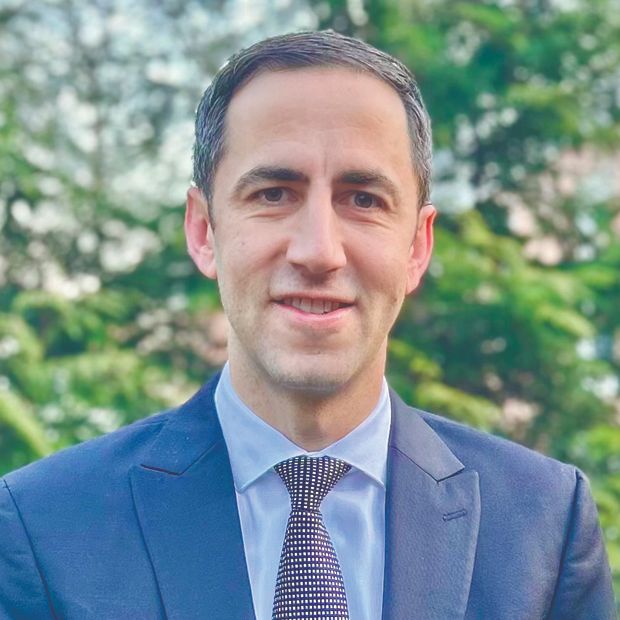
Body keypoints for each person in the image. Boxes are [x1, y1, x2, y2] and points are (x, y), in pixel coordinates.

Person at [0, 30, 615, 620]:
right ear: (204, 230)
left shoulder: (543, 526)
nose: (319, 251)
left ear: (417, 247)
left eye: (364, 199)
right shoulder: (44, 528)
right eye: (273, 193)